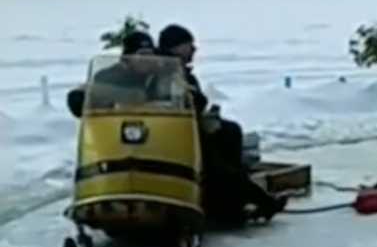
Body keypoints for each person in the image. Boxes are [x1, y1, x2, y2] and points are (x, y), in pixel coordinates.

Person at [157, 24, 286, 223]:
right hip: (177, 133)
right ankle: (257, 200)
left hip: (187, 127)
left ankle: (235, 199)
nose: (194, 50)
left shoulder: (180, 72)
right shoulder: (165, 73)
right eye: (189, 45)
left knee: (230, 132)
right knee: (218, 163)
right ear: (176, 47)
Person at [66, 31, 160, 117]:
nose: (148, 59)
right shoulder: (108, 76)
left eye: (151, 54)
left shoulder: (160, 74)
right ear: (128, 57)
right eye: (143, 54)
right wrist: (82, 96)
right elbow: (91, 93)